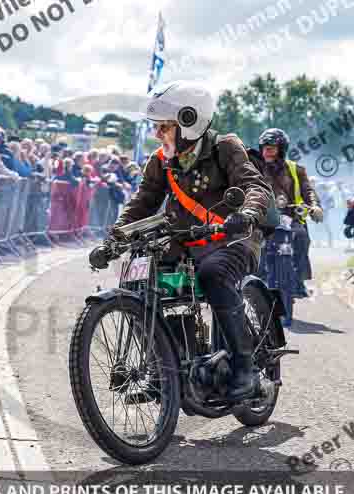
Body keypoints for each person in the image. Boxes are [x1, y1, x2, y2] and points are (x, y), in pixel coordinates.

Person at [89, 81, 273, 402]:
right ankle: (165, 374)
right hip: (182, 241)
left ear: (190, 122)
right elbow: (142, 202)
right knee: (142, 281)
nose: (158, 134)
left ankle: (245, 368)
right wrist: (114, 240)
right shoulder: (161, 161)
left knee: (213, 275)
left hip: (231, 238)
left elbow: (254, 185)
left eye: (165, 127)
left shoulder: (225, 148)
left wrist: (246, 213)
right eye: (157, 128)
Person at [258, 128, 322, 298]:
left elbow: (308, 191)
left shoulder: (296, 169)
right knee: (255, 245)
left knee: (302, 237)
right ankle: (256, 281)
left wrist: (315, 206)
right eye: (264, 147)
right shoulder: (255, 170)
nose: (267, 151)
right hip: (263, 219)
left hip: (291, 217)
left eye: (271, 147)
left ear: (282, 149)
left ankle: (298, 279)